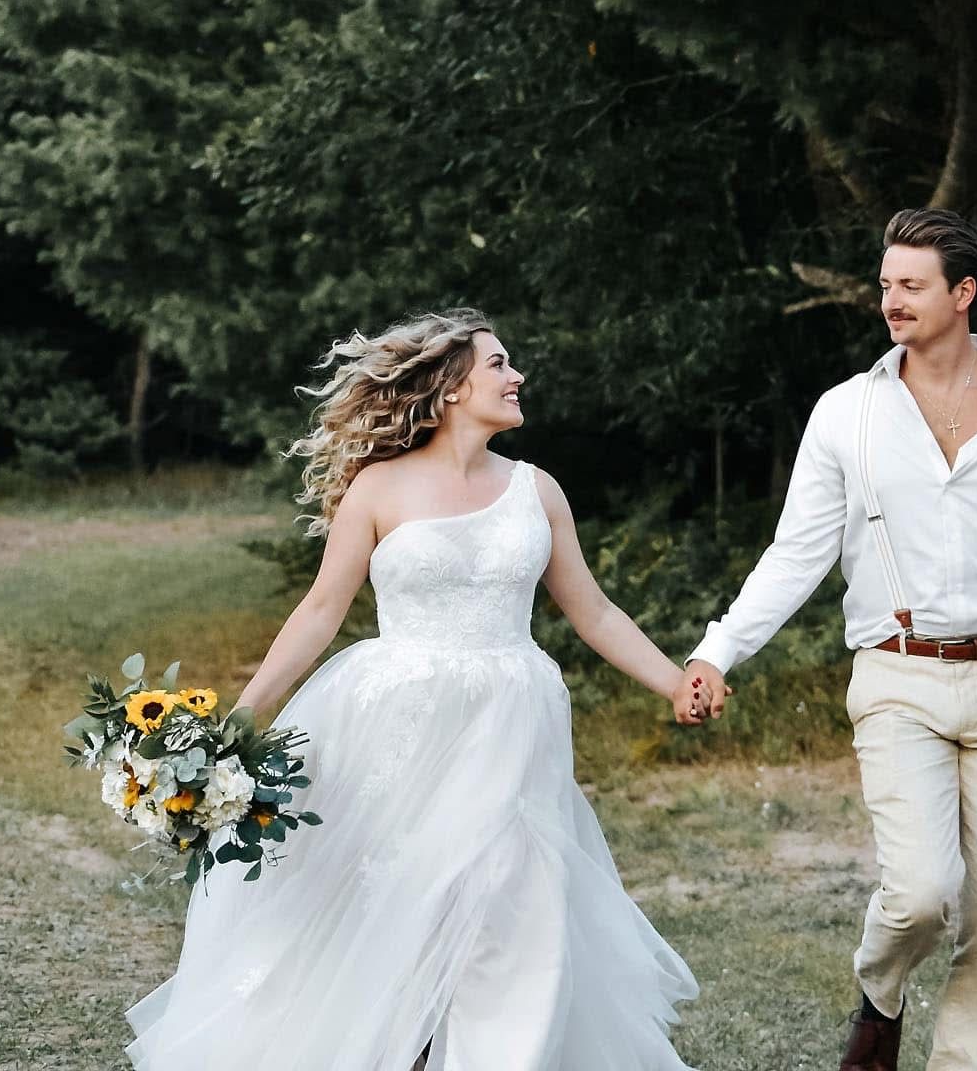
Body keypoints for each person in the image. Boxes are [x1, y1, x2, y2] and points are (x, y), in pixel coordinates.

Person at [126, 309, 704, 1071]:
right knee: (393, 901)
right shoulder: (378, 488)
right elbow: (321, 610)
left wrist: (673, 680)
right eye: (498, 364)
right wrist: (241, 716)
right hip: (395, 720)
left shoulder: (538, 491)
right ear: (451, 387)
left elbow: (591, 609)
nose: (516, 375)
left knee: (511, 902)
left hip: (510, 720)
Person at [673, 207, 977, 1071]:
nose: (891, 300)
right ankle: (879, 996)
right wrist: (715, 650)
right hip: (895, 679)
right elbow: (796, 553)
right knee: (920, 896)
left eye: (910, 285)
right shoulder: (845, 413)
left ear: (963, 293)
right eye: (885, 284)